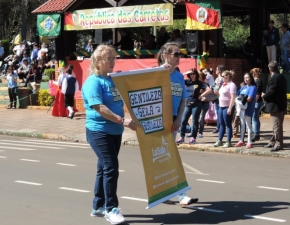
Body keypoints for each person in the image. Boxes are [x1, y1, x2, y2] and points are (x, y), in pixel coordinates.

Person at [81, 44, 137, 224]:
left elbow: (139, 79)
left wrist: (162, 69)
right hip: (99, 131)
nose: (113, 61)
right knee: (111, 167)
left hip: (115, 131)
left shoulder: (113, 79)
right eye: (109, 58)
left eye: (114, 57)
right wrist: (122, 121)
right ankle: (111, 208)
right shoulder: (93, 82)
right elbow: (99, 108)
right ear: (98, 61)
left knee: (103, 168)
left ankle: (98, 206)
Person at [157, 42, 198, 206]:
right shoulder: (157, 74)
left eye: (180, 54)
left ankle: (171, 194)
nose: (179, 56)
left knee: (167, 157)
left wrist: (178, 120)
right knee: (165, 158)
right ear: (165, 56)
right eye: (176, 54)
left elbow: (183, 99)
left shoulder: (179, 76)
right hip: (159, 120)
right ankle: (176, 194)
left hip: (173, 119)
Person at [176, 69, 212, 144]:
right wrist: (186, 72)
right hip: (187, 103)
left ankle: (193, 137)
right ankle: (181, 137)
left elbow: (209, 90)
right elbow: (179, 77)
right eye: (191, 74)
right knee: (183, 120)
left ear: (196, 74)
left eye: (194, 74)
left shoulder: (200, 83)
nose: (192, 75)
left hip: (196, 104)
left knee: (195, 121)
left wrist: (201, 95)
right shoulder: (187, 82)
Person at [262, 61, 287, 152]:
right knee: (277, 125)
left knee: (276, 126)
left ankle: (278, 144)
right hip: (281, 104)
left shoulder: (274, 78)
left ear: (270, 69)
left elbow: (272, 92)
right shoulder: (282, 76)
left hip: (276, 105)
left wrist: (264, 96)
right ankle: (273, 141)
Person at [213, 70, 237, 148]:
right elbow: (222, 95)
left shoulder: (232, 85)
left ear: (228, 76)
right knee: (221, 124)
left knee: (228, 124)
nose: (222, 77)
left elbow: (233, 97)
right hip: (221, 106)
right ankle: (219, 140)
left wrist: (230, 108)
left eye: (223, 76)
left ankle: (228, 141)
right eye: (222, 76)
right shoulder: (223, 85)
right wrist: (218, 93)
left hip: (227, 107)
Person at [235, 73, 257, 148]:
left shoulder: (253, 87)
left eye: (247, 77)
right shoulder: (243, 87)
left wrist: (242, 100)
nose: (246, 79)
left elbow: (249, 99)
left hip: (248, 108)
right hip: (241, 108)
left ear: (251, 78)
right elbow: (238, 95)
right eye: (244, 78)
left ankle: (249, 141)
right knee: (242, 124)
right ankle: (241, 140)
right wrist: (241, 100)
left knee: (248, 125)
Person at [251, 68, 264, 142]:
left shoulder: (258, 81)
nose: (252, 74)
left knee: (254, 118)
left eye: (252, 73)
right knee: (256, 118)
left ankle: (256, 134)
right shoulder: (258, 81)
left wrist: (254, 102)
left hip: (257, 102)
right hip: (259, 102)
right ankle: (257, 133)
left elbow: (258, 94)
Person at [211, 65, 225, 134]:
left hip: (218, 97)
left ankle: (219, 127)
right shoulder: (220, 78)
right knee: (219, 113)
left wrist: (213, 90)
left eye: (216, 69)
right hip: (219, 97)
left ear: (219, 70)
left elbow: (216, 88)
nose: (215, 70)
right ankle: (219, 126)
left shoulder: (219, 78)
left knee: (219, 113)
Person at [198, 72, 212, 138]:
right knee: (195, 118)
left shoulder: (205, 85)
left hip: (204, 103)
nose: (198, 77)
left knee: (201, 117)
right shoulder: (196, 84)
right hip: (197, 103)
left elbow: (209, 93)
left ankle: (200, 132)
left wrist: (202, 92)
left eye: (199, 76)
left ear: (202, 78)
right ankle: (193, 132)